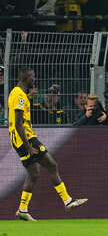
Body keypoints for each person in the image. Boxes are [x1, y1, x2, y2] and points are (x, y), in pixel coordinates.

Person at [8, 68, 88, 221]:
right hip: (26, 139)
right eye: (33, 77)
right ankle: (67, 201)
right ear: (26, 78)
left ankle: (23, 210)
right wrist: (29, 146)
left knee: (34, 173)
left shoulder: (16, 93)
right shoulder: (19, 95)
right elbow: (18, 124)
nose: (35, 79)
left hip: (18, 139)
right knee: (51, 165)